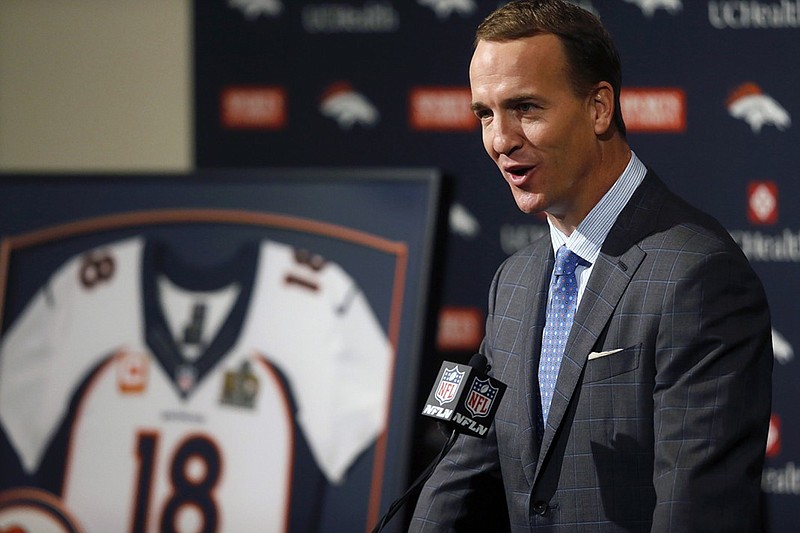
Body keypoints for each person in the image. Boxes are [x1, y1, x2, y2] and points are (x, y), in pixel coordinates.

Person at [409, 1, 773, 531]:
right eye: (484, 114)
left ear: (599, 107)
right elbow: (458, 479)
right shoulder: (512, 284)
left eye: (526, 109)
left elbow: (695, 512)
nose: (499, 140)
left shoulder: (697, 275)